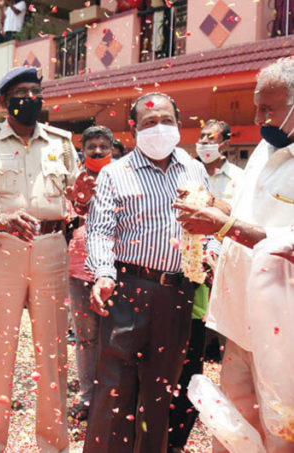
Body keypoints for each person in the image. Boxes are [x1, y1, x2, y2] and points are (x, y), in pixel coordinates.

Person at [0, 66, 96, 452]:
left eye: (36, 92)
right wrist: (1, 219)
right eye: (21, 93)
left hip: (51, 250)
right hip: (1, 250)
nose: (30, 99)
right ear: (3, 103)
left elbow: (77, 202)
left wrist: (83, 195)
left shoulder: (61, 142)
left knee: (52, 354)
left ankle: (53, 445)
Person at [175, 58, 294, 453]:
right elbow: (247, 216)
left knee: (282, 428)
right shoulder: (264, 148)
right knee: (233, 425)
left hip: (283, 327)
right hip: (239, 318)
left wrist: (222, 227)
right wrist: (216, 209)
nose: (258, 117)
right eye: (258, 106)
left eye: (269, 109)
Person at [84, 92, 212, 453]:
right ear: (133, 128)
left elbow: (209, 227)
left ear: (179, 123)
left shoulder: (194, 169)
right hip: (127, 287)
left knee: (160, 396)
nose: (159, 129)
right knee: (114, 391)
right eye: (149, 122)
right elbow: (100, 230)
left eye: (166, 121)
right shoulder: (114, 173)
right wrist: (104, 274)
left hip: (176, 293)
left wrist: (212, 254)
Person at [167, 118, 243, 451]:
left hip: (221, 270)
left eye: (211, 139)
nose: (205, 143)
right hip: (183, 272)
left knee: (203, 354)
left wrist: (214, 250)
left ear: (226, 142)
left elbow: (236, 222)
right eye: (200, 137)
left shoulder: (239, 180)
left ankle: (180, 435)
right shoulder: (187, 170)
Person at [67, 125, 114, 422]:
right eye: (91, 147)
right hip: (79, 268)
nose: (97, 152)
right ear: (82, 151)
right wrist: (79, 202)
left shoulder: (122, 178)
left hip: (113, 271)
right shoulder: (73, 179)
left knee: (114, 337)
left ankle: (112, 395)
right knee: (86, 338)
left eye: (102, 147)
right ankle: (87, 397)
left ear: (112, 149)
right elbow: (64, 219)